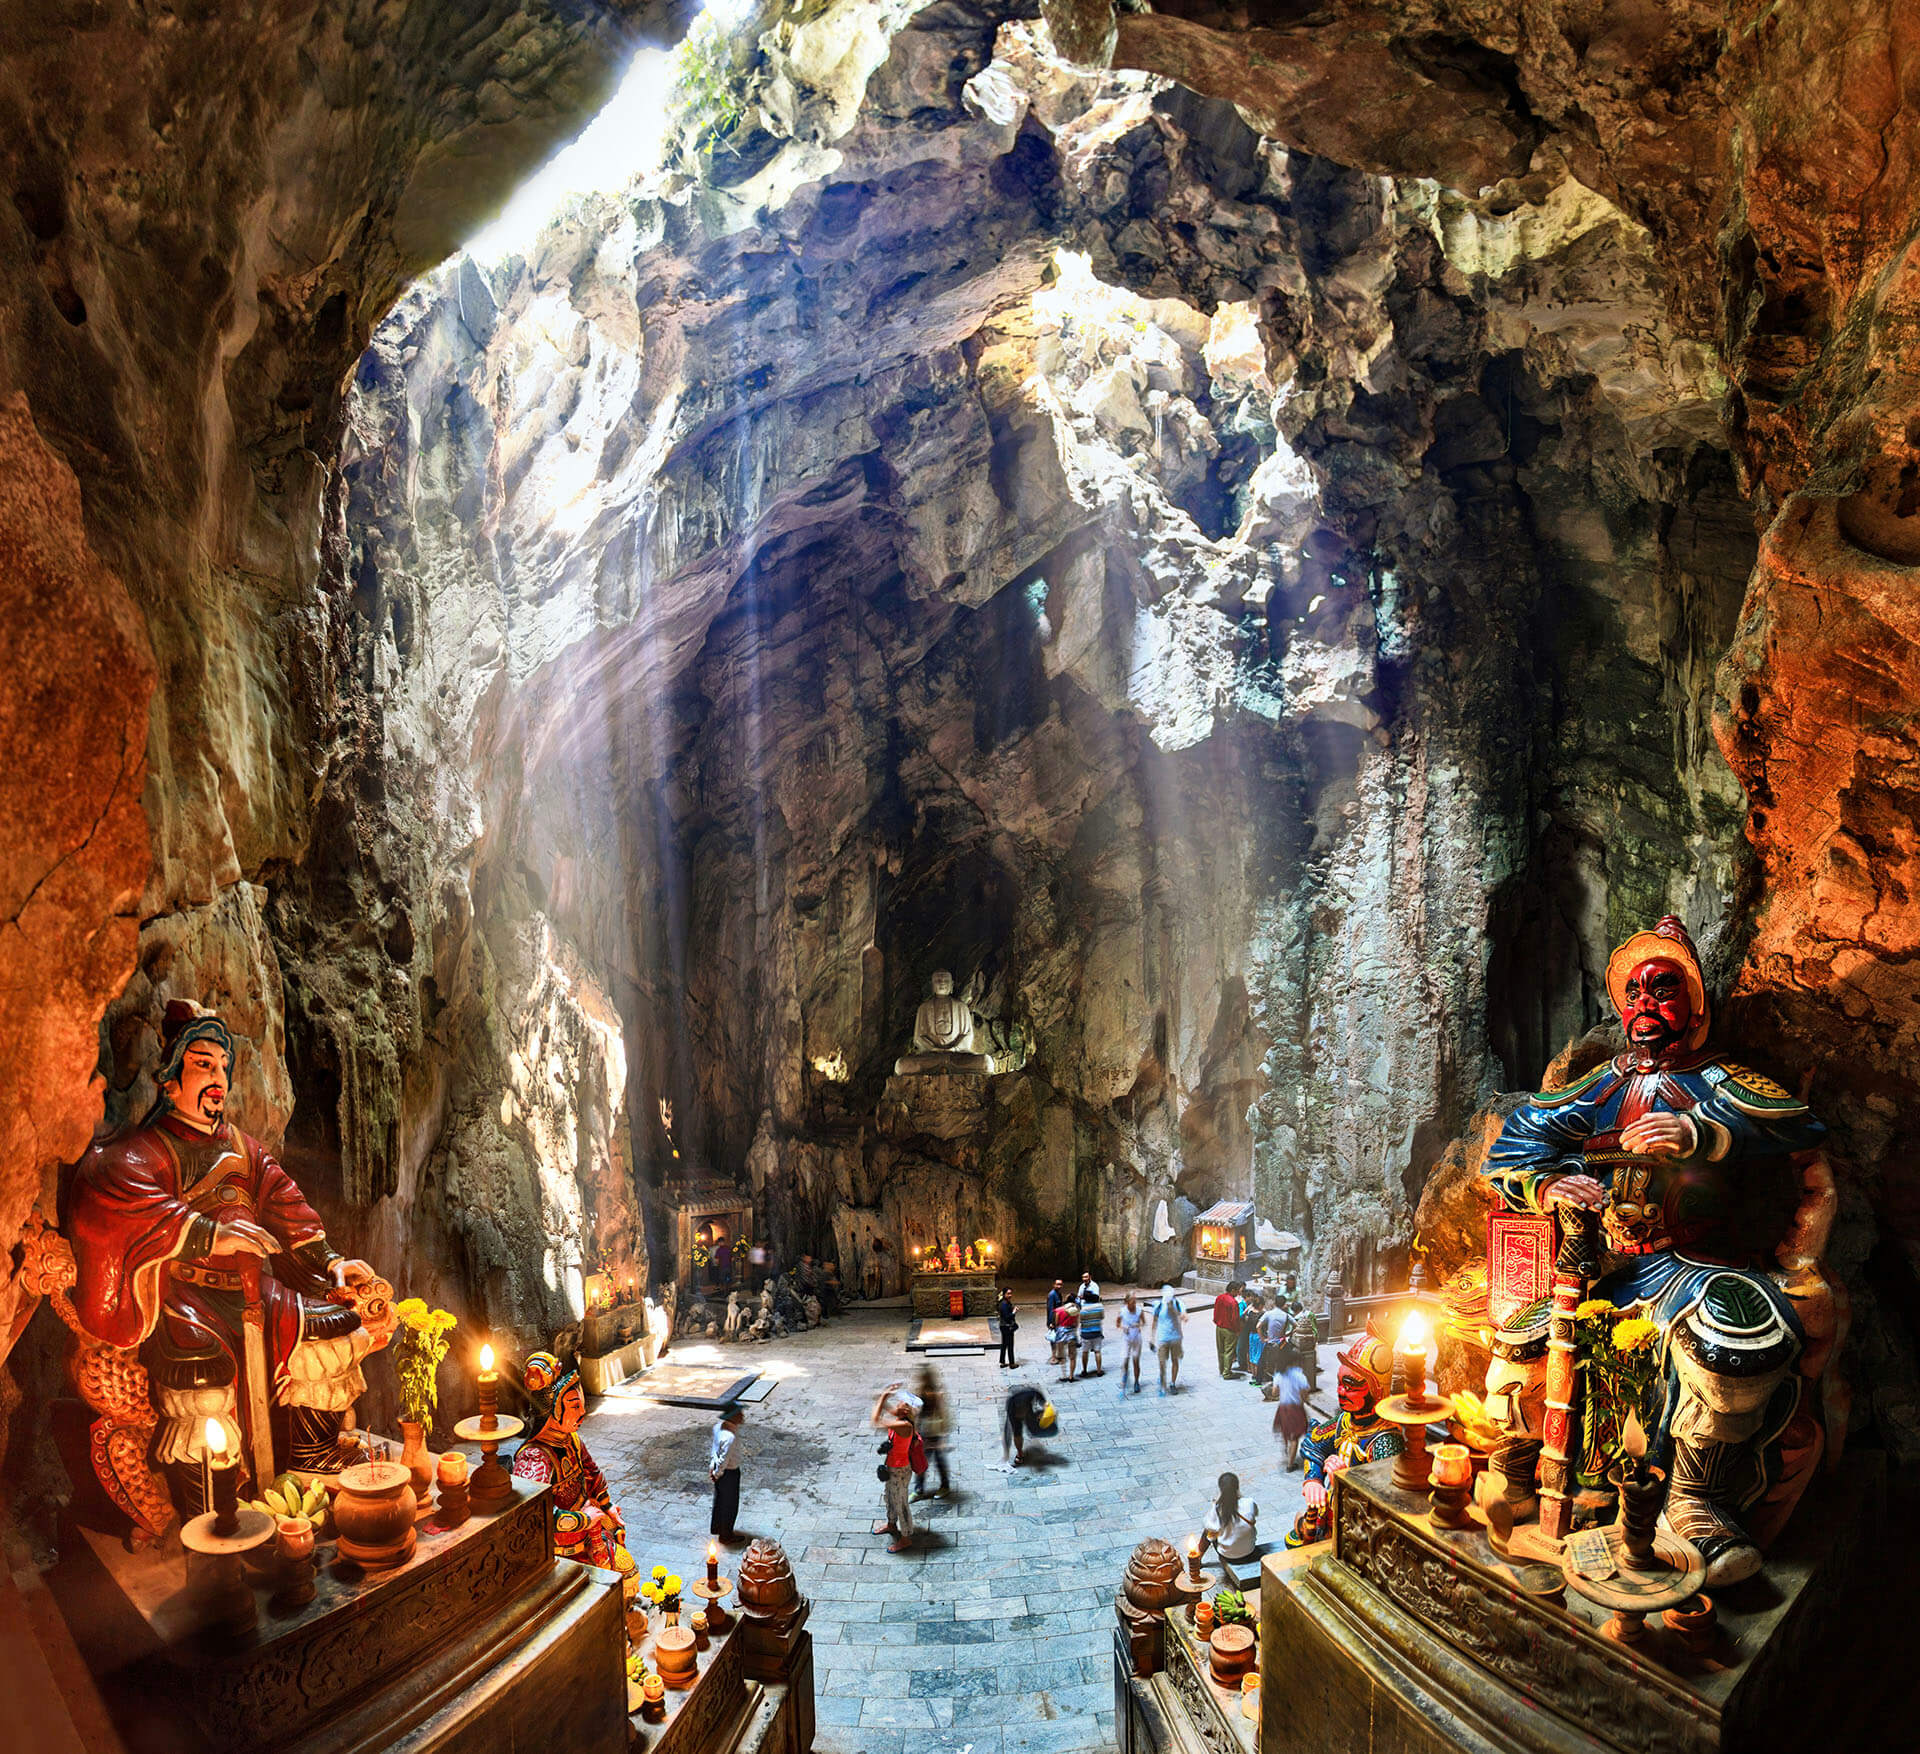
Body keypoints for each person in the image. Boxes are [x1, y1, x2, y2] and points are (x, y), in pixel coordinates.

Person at [513, 1351, 627, 1566]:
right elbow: (534, 1513)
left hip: (589, 1529)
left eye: (581, 1404)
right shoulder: (534, 1458)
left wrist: (607, 1506)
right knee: (623, 1572)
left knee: (620, 1545)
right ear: (553, 1411)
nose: (583, 1412)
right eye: (575, 1406)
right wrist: (584, 1520)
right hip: (559, 1551)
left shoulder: (571, 1440)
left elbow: (592, 1473)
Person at [871, 1382, 924, 1552]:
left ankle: (906, 1537)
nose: (898, 1403)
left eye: (902, 1402)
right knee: (889, 1497)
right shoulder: (901, 1417)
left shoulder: (904, 1426)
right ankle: (891, 1524)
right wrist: (885, 1394)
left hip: (900, 1470)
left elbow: (875, 1421)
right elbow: (886, 1406)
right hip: (892, 1467)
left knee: (900, 1502)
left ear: (906, 1410)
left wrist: (882, 1397)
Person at [911, 1363, 952, 1499]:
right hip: (924, 1431)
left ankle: (945, 1486)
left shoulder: (937, 1392)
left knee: (939, 1460)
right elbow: (916, 1413)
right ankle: (919, 1489)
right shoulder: (919, 1392)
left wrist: (943, 1437)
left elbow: (943, 1413)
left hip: (936, 1431)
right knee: (921, 1461)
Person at [1202, 1471, 1259, 1561]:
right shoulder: (1249, 1502)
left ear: (1221, 1489)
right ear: (1237, 1487)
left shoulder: (1218, 1508)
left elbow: (1208, 1526)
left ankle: (1198, 1558)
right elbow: (1255, 1514)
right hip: (1249, 1550)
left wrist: (1216, 1501)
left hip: (1228, 1555)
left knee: (1208, 1532)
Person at [709, 1406, 746, 1540]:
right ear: (733, 1416)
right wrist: (717, 1473)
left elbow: (715, 1449)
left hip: (719, 1470)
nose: (742, 1416)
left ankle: (717, 1527)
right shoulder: (730, 1436)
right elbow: (724, 1458)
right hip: (729, 1472)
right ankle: (726, 1535)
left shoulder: (718, 1427)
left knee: (720, 1500)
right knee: (729, 1504)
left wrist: (712, 1468)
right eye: (739, 1414)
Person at [1002, 1382, 1056, 1465]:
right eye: (1020, 1414)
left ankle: (1033, 1429)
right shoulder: (1011, 1408)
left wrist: (1046, 1411)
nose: (1021, 1415)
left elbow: (1043, 1402)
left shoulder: (1032, 1394)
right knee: (1017, 1432)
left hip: (1028, 1407)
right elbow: (1007, 1433)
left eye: (1022, 1413)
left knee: (1033, 1424)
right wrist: (1006, 1454)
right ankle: (1020, 1454)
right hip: (1017, 1408)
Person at [1273, 1360, 1310, 1467]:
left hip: (1283, 1408)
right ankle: (1290, 1464)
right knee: (1294, 1437)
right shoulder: (1300, 1376)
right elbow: (1304, 1395)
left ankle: (1285, 1450)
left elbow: (1274, 1393)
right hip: (1295, 1408)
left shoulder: (1279, 1374)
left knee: (1285, 1430)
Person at [1153, 1284, 1186, 1394]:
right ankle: (1162, 1379)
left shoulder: (1178, 1303)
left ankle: (1172, 1383)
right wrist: (1152, 1338)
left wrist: (1173, 1310)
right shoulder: (1158, 1305)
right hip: (1163, 1338)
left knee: (1175, 1360)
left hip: (1175, 1338)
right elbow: (1154, 1321)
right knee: (1162, 1362)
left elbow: (1185, 1318)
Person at [1115, 1289, 1145, 1394]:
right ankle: (1125, 1376)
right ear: (1127, 1302)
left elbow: (1143, 1322)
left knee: (1136, 1360)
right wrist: (1123, 1327)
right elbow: (1117, 1324)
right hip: (1126, 1338)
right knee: (1125, 1359)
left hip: (1136, 1337)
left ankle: (1136, 1382)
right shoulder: (1122, 1311)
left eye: (1135, 1301)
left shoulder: (1139, 1310)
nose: (1134, 1303)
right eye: (1132, 1301)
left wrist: (1139, 1325)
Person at [1213, 1281, 1243, 1378]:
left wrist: (1217, 1322)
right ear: (1232, 1290)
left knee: (1220, 1350)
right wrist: (1237, 1330)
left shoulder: (1219, 1297)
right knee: (1229, 1351)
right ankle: (1227, 1373)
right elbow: (1235, 1319)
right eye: (1237, 1291)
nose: (1238, 1293)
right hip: (1229, 1329)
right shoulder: (1233, 1303)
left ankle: (1222, 1370)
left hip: (1219, 1327)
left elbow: (1215, 1312)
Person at [1077, 1280, 1105, 1377]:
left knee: (1085, 1352)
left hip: (1085, 1333)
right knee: (1097, 1351)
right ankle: (1099, 1370)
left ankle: (1084, 1370)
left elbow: (1080, 1321)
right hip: (1097, 1331)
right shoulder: (1099, 1307)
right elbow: (1102, 1317)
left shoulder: (1083, 1309)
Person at [1055, 1293, 1081, 1381]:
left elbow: (1057, 1323)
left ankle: (1064, 1375)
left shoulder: (1059, 1310)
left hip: (1061, 1335)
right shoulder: (1076, 1311)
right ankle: (1071, 1376)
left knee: (1062, 1356)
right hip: (1071, 1334)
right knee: (1072, 1357)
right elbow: (1076, 1324)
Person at [997, 1286, 1019, 1368]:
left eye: (1011, 1293)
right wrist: (1014, 1312)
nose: (1010, 1295)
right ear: (1004, 1294)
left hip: (1003, 1326)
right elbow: (1007, 1317)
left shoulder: (1005, 1302)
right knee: (1010, 1345)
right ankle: (1012, 1363)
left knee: (1004, 1344)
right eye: (1008, 1293)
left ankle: (1002, 1362)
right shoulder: (1004, 1304)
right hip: (1007, 1326)